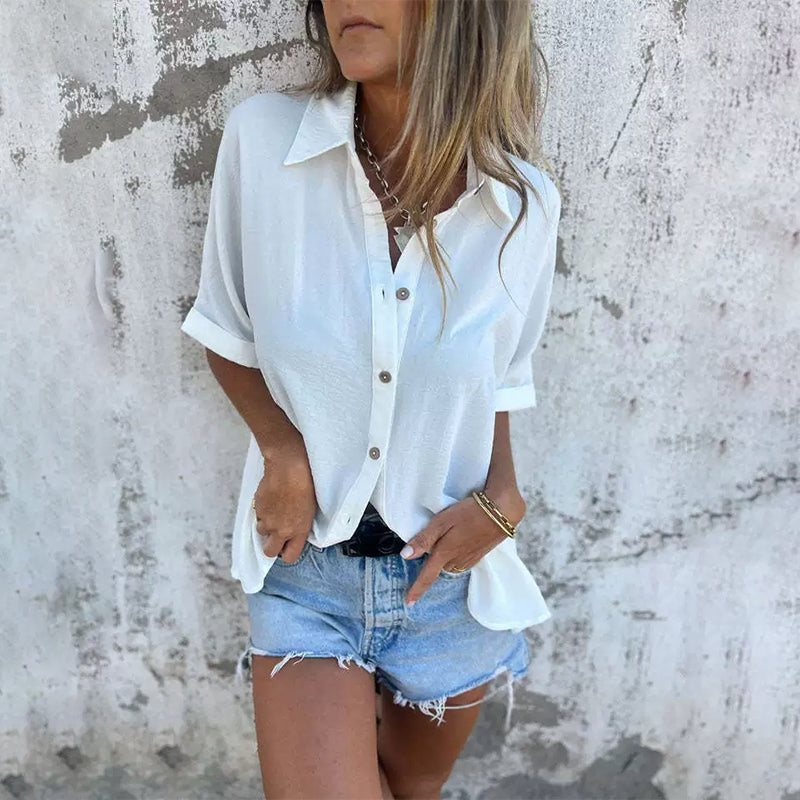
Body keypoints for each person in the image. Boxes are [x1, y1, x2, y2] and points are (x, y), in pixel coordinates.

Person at [180, 0, 561, 797]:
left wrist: (504, 498)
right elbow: (225, 330)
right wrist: (282, 452)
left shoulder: (522, 203)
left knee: (411, 790)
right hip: (308, 572)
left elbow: (497, 382)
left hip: (449, 580)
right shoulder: (264, 141)